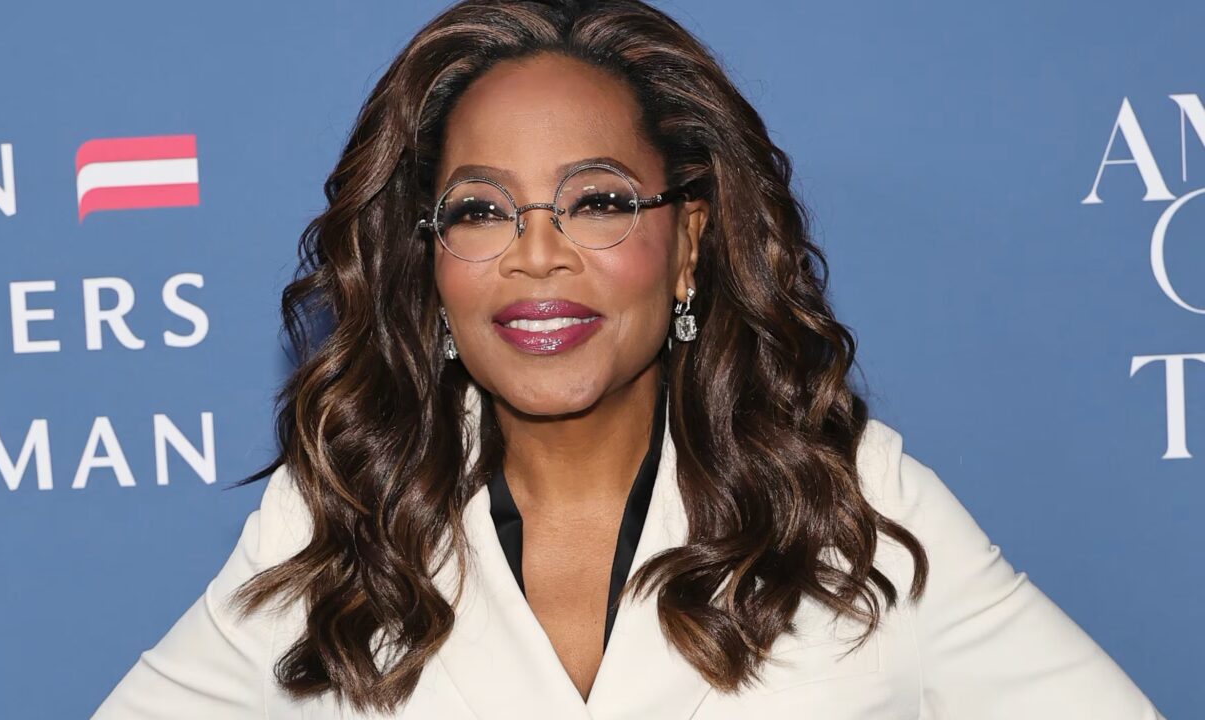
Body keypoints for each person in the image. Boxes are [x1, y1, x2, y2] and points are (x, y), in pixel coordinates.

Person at [92, 1, 1168, 717]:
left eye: (598, 201)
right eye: (480, 210)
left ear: (688, 242)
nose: (538, 254)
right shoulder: (339, 520)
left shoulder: (851, 507)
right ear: (429, 262)